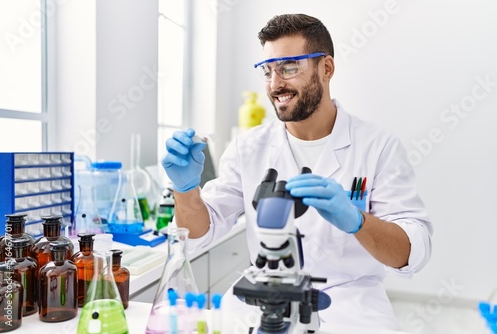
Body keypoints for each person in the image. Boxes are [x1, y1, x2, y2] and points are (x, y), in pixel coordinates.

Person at [162, 13, 433, 330]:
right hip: (266, 296)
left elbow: (412, 253)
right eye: (268, 71)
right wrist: (185, 190)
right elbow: (198, 235)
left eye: (289, 67)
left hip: (353, 307)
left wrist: (358, 221)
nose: (276, 84)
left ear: (326, 68)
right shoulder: (248, 148)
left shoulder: (378, 147)